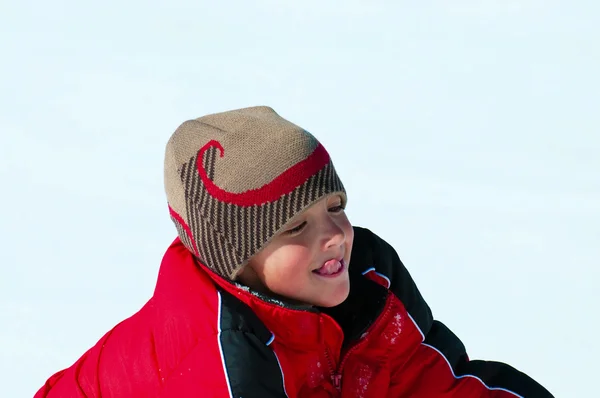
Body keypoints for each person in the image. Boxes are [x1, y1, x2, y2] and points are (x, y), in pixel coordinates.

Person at [34, 106, 553, 397]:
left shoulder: (368, 294)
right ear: (239, 260)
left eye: (335, 205)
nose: (334, 234)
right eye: (295, 226)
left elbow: (435, 384)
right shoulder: (217, 363)